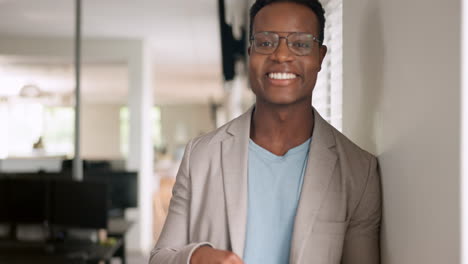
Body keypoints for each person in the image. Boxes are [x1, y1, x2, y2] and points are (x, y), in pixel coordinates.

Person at [149, 0, 382, 263]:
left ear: (320, 57)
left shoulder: (359, 172)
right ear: (250, 53)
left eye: (301, 43)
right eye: (265, 42)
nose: (281, 55)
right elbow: (159, 257)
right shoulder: (201, 155)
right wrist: (195, 258)